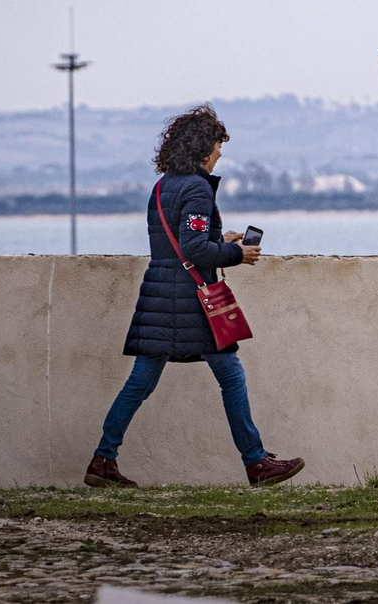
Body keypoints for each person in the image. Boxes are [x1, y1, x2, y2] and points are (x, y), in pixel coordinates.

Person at [85, 105, 305, 488]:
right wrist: (239, 254)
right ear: (204, 148)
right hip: (191, 301)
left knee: (139, 383)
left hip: (159, 294)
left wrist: (223, 240)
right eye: (219, 146)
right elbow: (194, 250)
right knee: (232, 377)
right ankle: (256, 464)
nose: (221, 153)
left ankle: (103, 460)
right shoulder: (198, 187)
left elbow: (181, 244)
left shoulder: (162, 186)